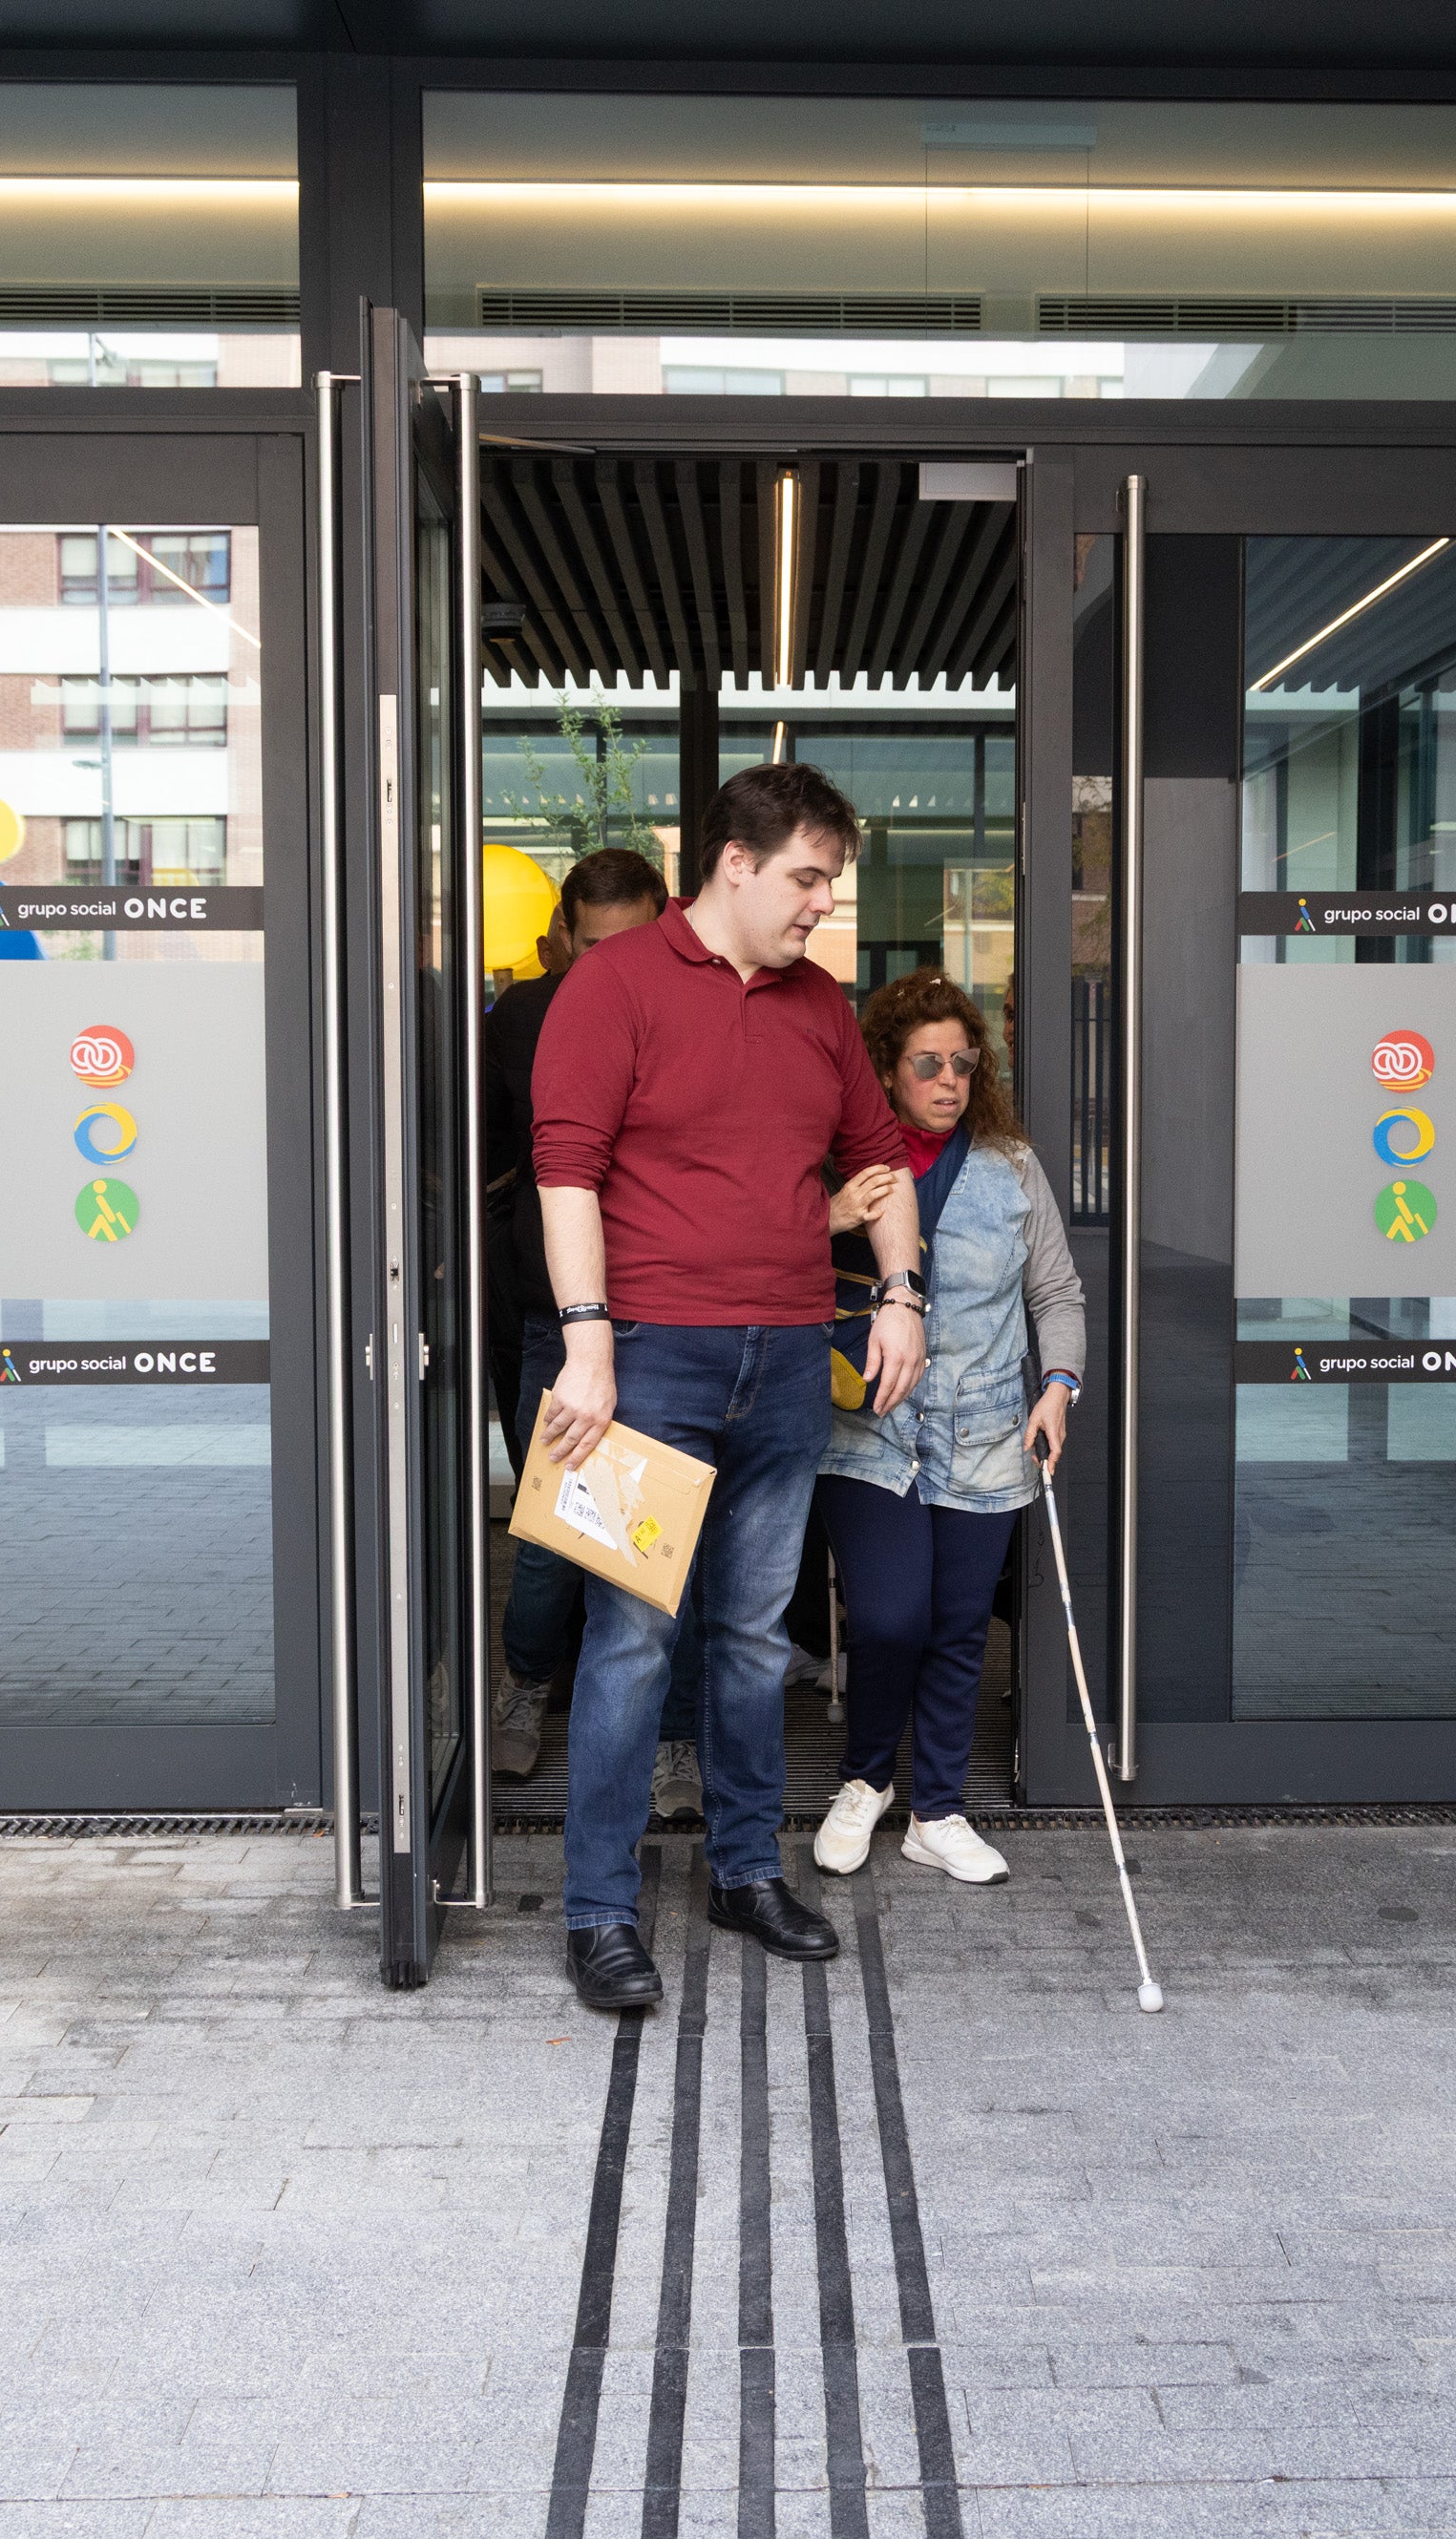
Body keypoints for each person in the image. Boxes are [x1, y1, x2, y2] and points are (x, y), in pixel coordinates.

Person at [529, 763, 922, 2013]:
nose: (821, 903)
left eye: (830, 881)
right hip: (651, 1360)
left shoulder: (818, 1006)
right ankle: (600, 1905)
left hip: (789, 1361)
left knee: (753, 1640)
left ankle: (746, 1868)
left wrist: (904, 1290)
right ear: (734, 864)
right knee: (633, 1640)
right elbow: (566, 1173)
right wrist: (588, 1341)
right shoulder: (616, 985)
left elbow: (879, 1155)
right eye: (807, 877)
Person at [808, 973, 1083, 1886]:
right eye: (927, 1061)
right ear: (885, 1070)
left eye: (963, 1062)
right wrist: (828, 1217)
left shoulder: (1012, 1166)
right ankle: (864, 1780)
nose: (949, 1077)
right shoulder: (839, 1162)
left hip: (986, 1431)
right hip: (871, 1433)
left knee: (963, 1625)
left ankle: (937, 1808)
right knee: (890, 1617)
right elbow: (761, 1263)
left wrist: (1059, 1384)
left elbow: (1056, 1289)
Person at [479, 846, 669, 1782]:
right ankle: (524, 1681)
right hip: (552, 1313)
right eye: (591, 948)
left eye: (629, 944)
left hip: (671, 1309)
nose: (609, 968)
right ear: (557, 941)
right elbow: (471, 1145)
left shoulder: (692, 1012)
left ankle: (671, 1733)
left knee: (666, 1531)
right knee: (553, 1527)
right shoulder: (519, 1017)